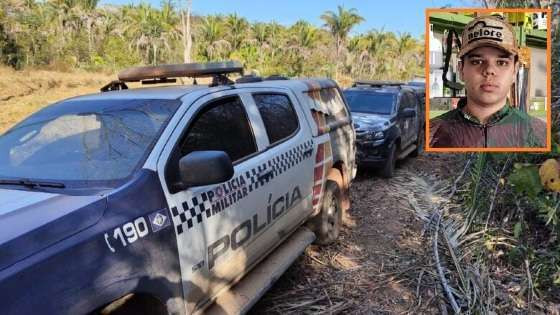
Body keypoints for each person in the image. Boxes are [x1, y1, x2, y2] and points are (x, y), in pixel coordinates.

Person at [429, 15, 546, 148]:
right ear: (461, 70)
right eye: (477, 61)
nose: (489, 70)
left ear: (514, 71)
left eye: (501, 62)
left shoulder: (540, 135)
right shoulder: (432, 134)